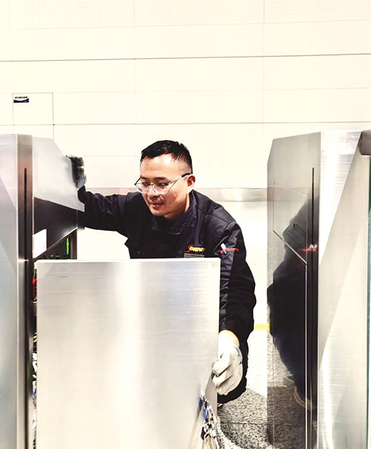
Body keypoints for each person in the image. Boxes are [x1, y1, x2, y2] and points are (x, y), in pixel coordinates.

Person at [70, 140, 256, 402]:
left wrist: (230, 340)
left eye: (162, 183)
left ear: (189, 182)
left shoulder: (218, 227)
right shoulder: (137, 208)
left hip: (198, 320)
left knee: (224, 387)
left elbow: (235, 290)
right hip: (151, 315)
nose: (151, 193)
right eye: (145, 183)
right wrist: (70, 182)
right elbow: (90, 209)